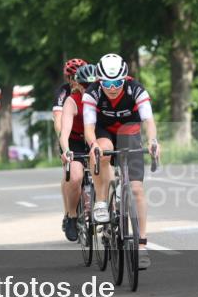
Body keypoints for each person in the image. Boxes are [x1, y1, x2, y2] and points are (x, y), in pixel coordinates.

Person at [83, 53, 160, 270]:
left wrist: (153, 141)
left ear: (124, 78)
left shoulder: (136, 89)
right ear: (99, 80)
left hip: (129, 132)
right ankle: (101, 201)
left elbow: (149, 121)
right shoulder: (92, 93)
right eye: (107, 83)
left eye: (117, 82)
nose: (112, 88)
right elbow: (89, 128)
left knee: (136, 190)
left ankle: (141, 245)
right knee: (102, 150)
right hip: (104, 131)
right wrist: (93, 145)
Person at [59, 62, 97, 243]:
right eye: (85, 85)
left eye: (92, 85)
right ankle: (72, 216)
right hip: (75, 141)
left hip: (94, 140)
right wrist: (66, 150)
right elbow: (64, 132)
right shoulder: (72, 101)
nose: (88, 88)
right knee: (75, 176)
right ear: (78, 85)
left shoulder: (102, 98)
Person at [53, 58, 88, 241]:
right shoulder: (64, 92)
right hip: (71, 137)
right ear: (68, 78)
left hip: (90, 136)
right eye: (73, 77)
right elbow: (58, 119)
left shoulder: (92, 89)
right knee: (72, 175)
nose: (77, 80)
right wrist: (63, 141)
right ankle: (71, 214)